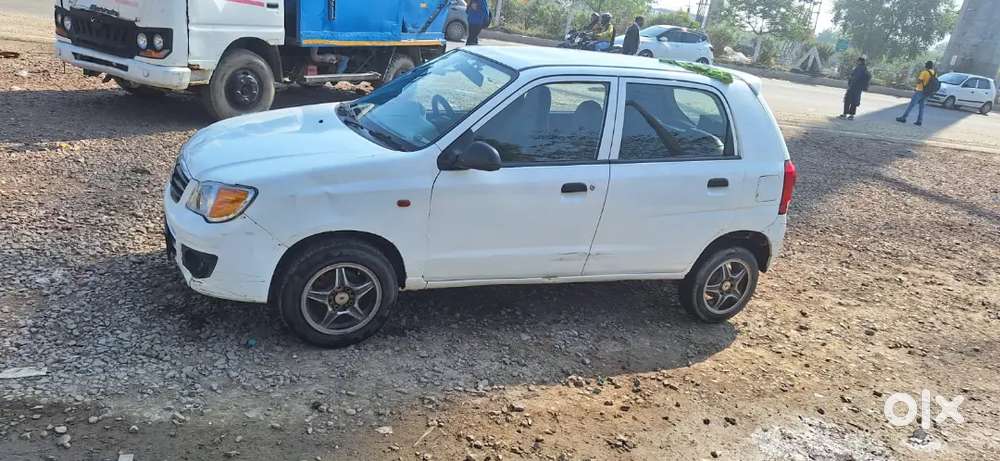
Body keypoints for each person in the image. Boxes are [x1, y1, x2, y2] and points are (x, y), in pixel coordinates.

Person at [896, 61, 936, 126]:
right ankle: (919, 121)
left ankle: (903, 118)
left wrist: (917, 81)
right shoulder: (934, 73)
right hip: (927, 92)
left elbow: (919, 81)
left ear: (926, 66)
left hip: (920, 90)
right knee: (922, 107)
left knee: (911, 105)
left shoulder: (924, 72)